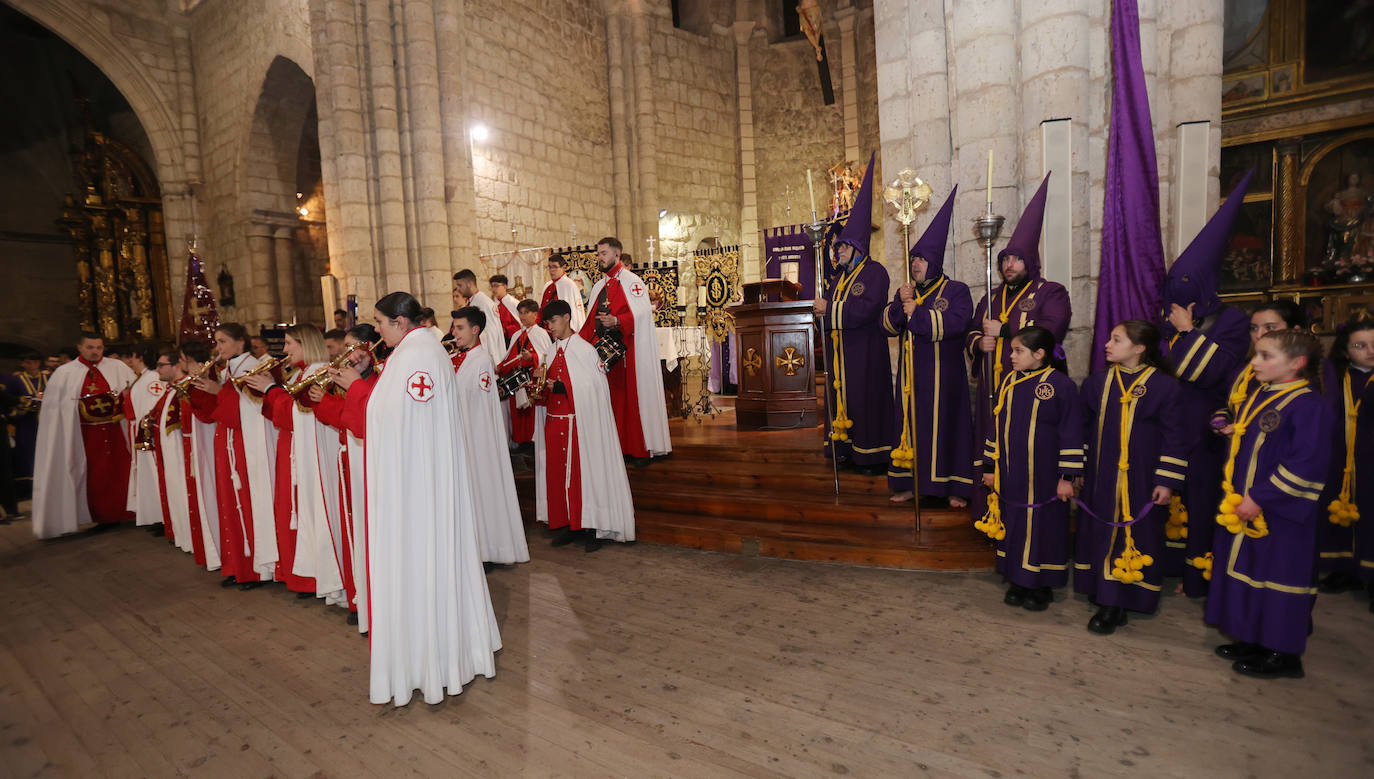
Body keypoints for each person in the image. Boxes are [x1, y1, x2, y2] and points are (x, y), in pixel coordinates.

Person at [365, 291, 500, 705]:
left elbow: (403, 423)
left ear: (401, 323)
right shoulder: (415, 352)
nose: (376, 329)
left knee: (426, 563)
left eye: (380, 322)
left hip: (418, 490)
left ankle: (431, 658)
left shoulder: (418, 357)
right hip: (419, 483)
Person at [1205, 330, 1332, 679]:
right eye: (1255, 355)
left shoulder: (1309, 405)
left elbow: (1306, 463)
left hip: (1281, 513)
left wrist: (1260, 497)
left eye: (1265, 356)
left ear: (1297, 364)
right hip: (1246, 506)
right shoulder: (1262, 395)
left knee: (1277, 579)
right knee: (1250, 574)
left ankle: (1283, 653)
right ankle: (1253, 638)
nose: (1254, 363)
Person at [1160, 170, 1255, 597]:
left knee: (1201, 501)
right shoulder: (1170, 321)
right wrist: (1179, 332)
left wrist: (1186, 332)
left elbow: (1206, 371)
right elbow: (1164, 364)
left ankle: (1199, 577)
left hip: (1206, 427)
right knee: (1165, 495)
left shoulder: (1233, 321)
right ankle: (1164, 566)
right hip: (1171, 424)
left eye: (1186, 291)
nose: (1175, 302)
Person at [1075, 321, 1189, 634]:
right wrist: (1077, 471)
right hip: (1102, 476)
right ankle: (1106, 595)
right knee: (1102, 532)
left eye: (1116, 339)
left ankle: (1122, 601)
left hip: (1143, 478)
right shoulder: (1096, 384)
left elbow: (1175, 437)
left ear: (1140, 348)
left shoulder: (1166, 386)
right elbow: (1081, 429)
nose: (1107, 345)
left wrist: (1166, 481)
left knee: (1138, 534)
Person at [967, 174, 1071, 514]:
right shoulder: (991, 296)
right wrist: (978, 343)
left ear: (1031, 263)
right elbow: (973, 329)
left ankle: (1021, 514)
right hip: (991, 386)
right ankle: (988, 514)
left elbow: (1052, 328)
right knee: (989, 446)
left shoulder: (1050, 292)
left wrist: (1006, 329)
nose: (1009, 265)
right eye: (1005, 260)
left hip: (1032, 390)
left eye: (1016, 259)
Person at [978, 326, 1083, 612]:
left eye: (1018, 351)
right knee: (1015, 526)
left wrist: (1067, 478)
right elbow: (995, 426)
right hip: (1012, 474)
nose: (1011, 356)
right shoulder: (1007, 382)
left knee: (1045, 528)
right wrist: (990, 467)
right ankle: (1017, 580)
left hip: (1046, 477)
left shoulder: (1061, 386)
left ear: (1039, 354)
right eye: (1012, 350)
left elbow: (1072, 432)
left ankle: (1042, 585)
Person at [881, 187, 973, 504]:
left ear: (935, 262)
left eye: (921, 259)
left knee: (947, 427)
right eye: (913, 259)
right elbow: (887, 327)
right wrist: (900, 305)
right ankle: (909, 483)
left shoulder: (957, 290)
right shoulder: (906, 291)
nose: (916, 264)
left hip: (943, 374)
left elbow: (956, 325)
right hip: (909, 378)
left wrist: (917, 313)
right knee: (909, 427)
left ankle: (954, 487)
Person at [245, 325, 345, 603]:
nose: (285, 349)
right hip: (300, 452)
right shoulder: (303, 372)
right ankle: (310, 575)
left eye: (289, 343)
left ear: (305, 344)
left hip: (316, 456)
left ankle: (324, 578)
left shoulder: (318, 372)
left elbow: (295, 415)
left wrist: (271, 389)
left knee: (317, 513)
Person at [813, 153, 893, 476]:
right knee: (842, 401)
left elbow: (864, 310)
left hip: (865, 355)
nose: (838, 251)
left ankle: (871, 457)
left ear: (858, 247)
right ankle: (843, 450)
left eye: (843, 247)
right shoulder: (839, 279)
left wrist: (828, 309)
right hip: (840, 359)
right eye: (836, 248)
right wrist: (822, 310)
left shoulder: (876, 274)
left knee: (866, 402)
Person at [535, 299, 635, 551]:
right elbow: (545, 392)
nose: (551, 328)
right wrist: (538, 387)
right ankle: (569, 524)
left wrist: (562, 387)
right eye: (547, 324)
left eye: (554, 322)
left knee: (584, 477)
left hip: (580, 427)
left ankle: (592, 526)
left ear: (567, 317)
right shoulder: (549, 351)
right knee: (559, 478)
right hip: (554, 424)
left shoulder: (585, 350)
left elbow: (594, 388)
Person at [191, 323, 278, 589]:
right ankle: (236, 565)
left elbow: (248, 412)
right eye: (216, 342)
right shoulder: (229, 368)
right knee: (230, 504)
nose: (218, 347)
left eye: (223, 341)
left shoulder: (253, 367)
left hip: (244, 445)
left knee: (246, 503)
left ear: (241, 342)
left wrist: (219, 392)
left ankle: (255, 569)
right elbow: (213, 412)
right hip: (227, 443)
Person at [32, 332, 137, 538]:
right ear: (80, 348)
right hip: (83, 434)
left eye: (98, 347)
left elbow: (134, 393)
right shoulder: (65, 373)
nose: (95, 351)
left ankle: (129, 511)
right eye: (90, 347)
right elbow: (56, 409)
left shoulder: (118, 367)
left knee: (122, 471)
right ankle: (104, 516)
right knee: (94, 475)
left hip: (117, 431)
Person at [449, 306, 530, 565]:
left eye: (459, 327)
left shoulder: (481, 361)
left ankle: (489, 549)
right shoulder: (460, 358)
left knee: (483, 493)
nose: (454, 332)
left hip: (477, 441)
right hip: (464, 438)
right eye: (453, 327)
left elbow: (481, 408)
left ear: (475, 330)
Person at [316, 323, 384, 630]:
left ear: (369, 347)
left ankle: (376, 601)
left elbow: (370, 419)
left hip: (373, 463)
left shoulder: (383, 377)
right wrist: (322, 400)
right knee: (355, 531)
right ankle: (360, 597)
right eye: (343, 349)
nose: (347, 355)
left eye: (351, 348)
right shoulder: (351, 379)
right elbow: (345, 419)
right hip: (350, 459)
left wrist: (351, 389)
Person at [1316, 317, 1374, 600]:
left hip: (1370, 459)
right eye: (1360, 346)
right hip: (1341, 459)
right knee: (1340, 513)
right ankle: (1345, 569)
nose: (1370, 351)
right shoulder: (1336, 376)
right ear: (1345, 350)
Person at [178, 340, 222, 571]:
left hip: (209, 437)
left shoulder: (206, 375)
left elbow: (207, 413)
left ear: (187, 358)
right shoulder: (202, 375)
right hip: (201, 437)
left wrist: (192, 390)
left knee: (210, 490)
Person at [125, 343, 169, 532]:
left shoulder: (152, 379)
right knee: (147, 476)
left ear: (138, 356)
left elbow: (154, 408)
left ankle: (162, 517)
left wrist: (148, 435)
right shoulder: (142, 378)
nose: (128, 362)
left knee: (154, 473)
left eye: (130, 357)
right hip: (140, 432)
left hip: (148, 435)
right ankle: (155, 516)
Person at [498, 299, 553, 446]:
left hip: (532, 382)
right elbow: (509, 357)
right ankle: (521, 443)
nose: (522, 316)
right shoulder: (517, 334)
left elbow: (547, 357)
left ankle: (533, 444)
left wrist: (533, 357)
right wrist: (501, 366)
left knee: (532, 416)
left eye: (526, 312)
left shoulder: (540, 333)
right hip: (518, 383)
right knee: (518, 415)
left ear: (535, 314)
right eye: (520, 313)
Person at [452, 269, 508, 367]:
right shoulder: (473, 301)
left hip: (488, 358)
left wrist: (494, 361)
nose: (458, 289)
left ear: (470, 284)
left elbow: (492, 333)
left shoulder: (483, 302)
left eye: (460, 285)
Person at [9, 351, 45, 496]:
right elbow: (12, 400)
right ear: (23, 363)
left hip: (46, 420)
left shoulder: (47, 377)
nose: (33, 365)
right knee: (28, 453)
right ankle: (30, 489)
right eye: (28, 362)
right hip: (27, 422)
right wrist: (30, 401)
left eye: (35, 362)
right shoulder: (16, 380)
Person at [539, 254, 586, 330]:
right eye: (549, 267)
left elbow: (576, 312)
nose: (551, 270)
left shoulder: (570, 285)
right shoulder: (547, 286)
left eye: (554, 267)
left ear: (563, 268)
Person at [490, 275, 522, 340]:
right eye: (492, 286)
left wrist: (505, 330)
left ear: (505, 286)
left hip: (512, 339)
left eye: (496, 286)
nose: (493, 289)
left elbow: (521, 325)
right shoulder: (493, 304)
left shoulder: (514, 303)